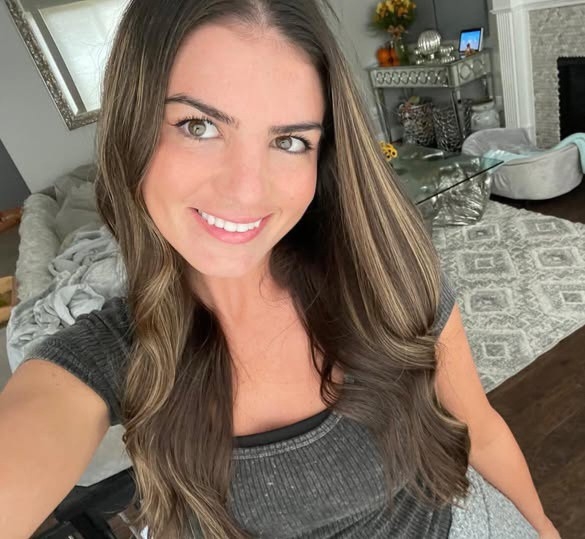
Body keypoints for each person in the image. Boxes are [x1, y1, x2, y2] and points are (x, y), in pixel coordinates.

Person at [0, 1, 560, 538]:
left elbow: (479, 430)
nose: (247, 190)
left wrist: (545, 529)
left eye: (289, 141)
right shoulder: (106, 357)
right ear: (132, 127)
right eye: (198, 126)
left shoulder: (386, 280)